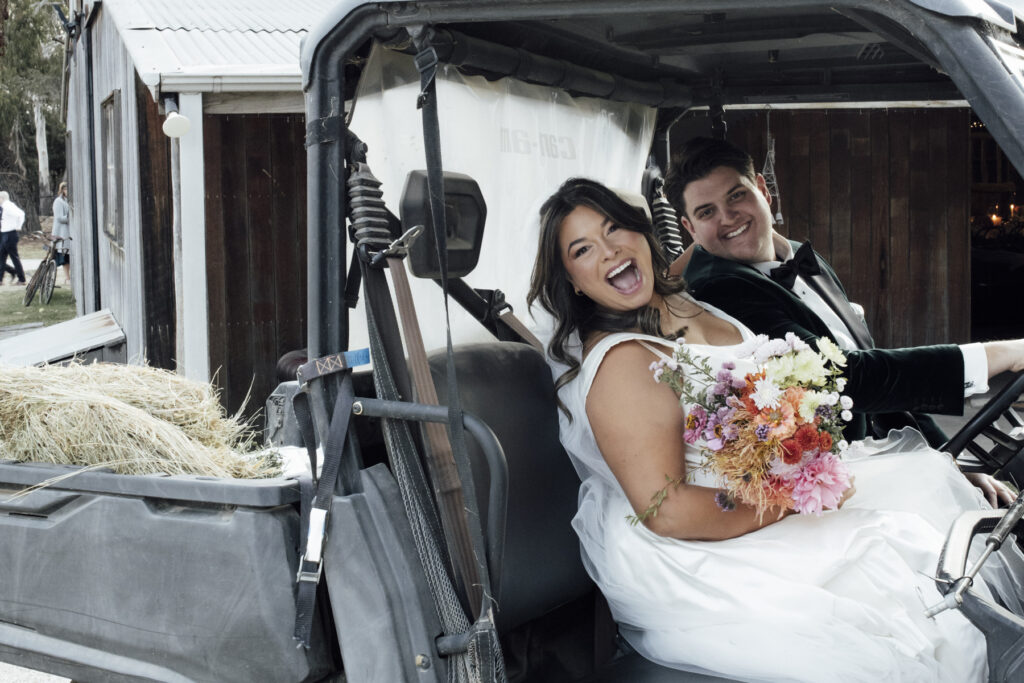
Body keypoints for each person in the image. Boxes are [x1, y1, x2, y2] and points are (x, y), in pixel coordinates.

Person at [527, 177, 1024, 682]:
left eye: (616, 230)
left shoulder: (686, 300)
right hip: (702, 545)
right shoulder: (623, 364)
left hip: (755, 497)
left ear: (641, 233)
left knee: (935, 532)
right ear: (570, 278)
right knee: (901, 587)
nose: (609, 251)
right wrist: (792, 497)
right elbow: (669, 513)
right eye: (583, 248)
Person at [665, 136, 985, 450]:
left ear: (763, 190)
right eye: (707, 212)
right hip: (835, 472)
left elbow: (878, 379)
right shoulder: (721, 289)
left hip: (888, 450)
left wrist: (947, 457)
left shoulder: (799, 254)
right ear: (690, 228)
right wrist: (990, 359)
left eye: (736, 195)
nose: (727, 217)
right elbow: (847, 379)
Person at [0, 191, 27, 286]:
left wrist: (18, 226)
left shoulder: (8, 206)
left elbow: (21, 214)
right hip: (4, 233)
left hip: (10, 234)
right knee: (1, 257)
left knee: (14, 257)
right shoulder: (4, 207)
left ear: (2, 198)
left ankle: (22, 279)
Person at [51, 182, 71, 285]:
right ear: (62, 190)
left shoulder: (68, 201)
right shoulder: (58, 202)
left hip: (70, 232)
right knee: (65, 256)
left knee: (69, 255)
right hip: (62, 232)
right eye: (66, 189)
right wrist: (71, 218)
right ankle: (67, 278)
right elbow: (59, 218)